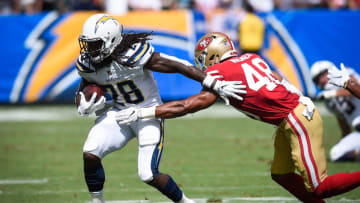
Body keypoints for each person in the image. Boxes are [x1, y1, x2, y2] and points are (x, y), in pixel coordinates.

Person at [116, 32, 360, 202]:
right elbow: (276, 77)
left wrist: (144, 112)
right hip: (292, 115)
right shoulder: (252, 57)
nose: (202, 65)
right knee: (281, 174)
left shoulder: (219, 71)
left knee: (318, 187)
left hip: (296, 119)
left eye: (203, 59)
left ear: (211, 55)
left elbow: (190, 106)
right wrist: (295, 95)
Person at [75, 14, 246, 203]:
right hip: (119, 113)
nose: (90, 50)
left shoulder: (132, 55)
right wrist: (82, 103)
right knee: (90, 152)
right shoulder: (87, 63)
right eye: (88, 44)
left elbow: (177, 65)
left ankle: (186, 202)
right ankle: (97, 201)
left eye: (95, 44)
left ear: (112, 40)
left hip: (148, 112)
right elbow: (86, 86)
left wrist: (210, 81)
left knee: (148, 174)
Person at [311, 60, 360, 162]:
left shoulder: (344, 74)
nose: (319, 82)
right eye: (316, 80)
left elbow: (356, 89)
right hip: (358, 130)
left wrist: (334, 93)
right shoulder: (328, 100)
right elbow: (344, 123)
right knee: (336, 153)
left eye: (320, 77)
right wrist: (344, 141)